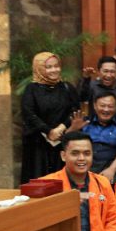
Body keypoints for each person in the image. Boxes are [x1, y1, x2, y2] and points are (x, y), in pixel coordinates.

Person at [21, 52, 81, 182]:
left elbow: (75, 110)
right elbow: (29, 113)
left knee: (63, 182)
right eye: (49, 67)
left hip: (62, 142)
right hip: (38, 146)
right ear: (39, 68)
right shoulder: (31, 89)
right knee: (39, 181)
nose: (54, 70)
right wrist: (48, 131)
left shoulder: (67, 87)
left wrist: (61, 128)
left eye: (56, 66)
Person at [82, 92, 116, 182]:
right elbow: (68, 144)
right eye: (102, 106)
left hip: (111, 166)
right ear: (95, 106)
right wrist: (73, 128)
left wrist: (112, 169)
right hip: (85, 165)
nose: (106, 109)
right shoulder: (84, 122)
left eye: (110, 106)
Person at [78, 55, 116, 121]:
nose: (108, 75)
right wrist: (86, 79)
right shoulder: (92, 85)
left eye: (112, 72)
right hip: (94, 125)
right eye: (105, 71)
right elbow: (81, 98)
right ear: (99, 72)